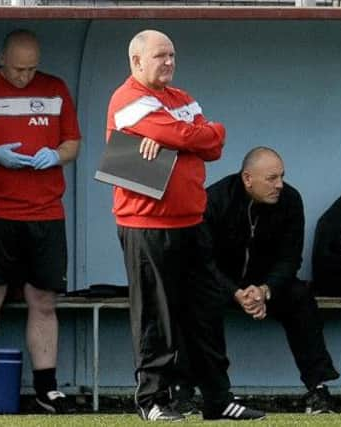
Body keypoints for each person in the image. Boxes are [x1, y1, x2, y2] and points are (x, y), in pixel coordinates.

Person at [106, 29, 266, 422]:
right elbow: (183, 133)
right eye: (160, 56)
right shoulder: (127, 98)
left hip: (192, 222)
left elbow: (214, 142)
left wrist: (182, 140)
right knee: (155, 316)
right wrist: (186, 137)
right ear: (137, 61)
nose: (169, 63)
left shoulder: (181, 98)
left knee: (205, 312)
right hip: (145, 223)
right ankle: (153, 400)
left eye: (172, 55)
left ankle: (217, 398)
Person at [0, 28, 81, 414]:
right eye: (18, 69)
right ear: (1, 57)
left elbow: (72, 143)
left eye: (32, 68)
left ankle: (47, 389)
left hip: (45, 212)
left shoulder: (55, 89)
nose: (25, 76)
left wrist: (55, 156)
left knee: (43, 299)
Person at [196, 146, 340, 414]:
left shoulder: (290, 200)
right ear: (248, 179)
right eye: (271, 178)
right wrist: (235, 292)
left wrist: (265, 289)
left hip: (265, 286)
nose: (279, 185)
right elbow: (203, 262)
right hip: (222, 285)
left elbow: (290, 259)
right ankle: (212, 394)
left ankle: (318, 390)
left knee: (300, 297)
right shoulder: (215, 199)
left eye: (281, 176)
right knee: (194, 298)